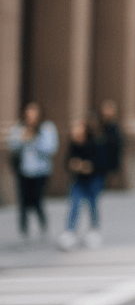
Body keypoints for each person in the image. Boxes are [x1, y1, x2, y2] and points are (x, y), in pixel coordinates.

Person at [8, 102, 58, 241]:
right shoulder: (19, 127)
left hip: (41, 171)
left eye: (34, 113)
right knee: (23, 201)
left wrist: (35, 138)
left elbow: (51, 148)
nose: (31, 117)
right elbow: (12, 145)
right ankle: (23, 230)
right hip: (23, 171)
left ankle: (43, 226)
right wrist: (22, 139)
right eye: (29, 114)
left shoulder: (47, 127)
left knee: (37, 200)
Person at [59, 118, 110, 250]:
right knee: (74, 204)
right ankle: (70, 232)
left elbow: (102, 163)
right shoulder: (74, 145)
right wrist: (74, 165)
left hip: (94, 180)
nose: (75, 131)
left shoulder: (96, 143)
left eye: (78, 128)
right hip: (79, 180)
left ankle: (94, 231)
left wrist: (89, 166)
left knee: (93, 205)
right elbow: (67, 162)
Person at [96, 100, 125, 187]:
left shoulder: (115, 128)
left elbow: (117, 146)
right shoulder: (98, 126)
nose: (108, 112)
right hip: (98, 160)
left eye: (110, 110)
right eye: (106, 110)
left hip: (109, 160)